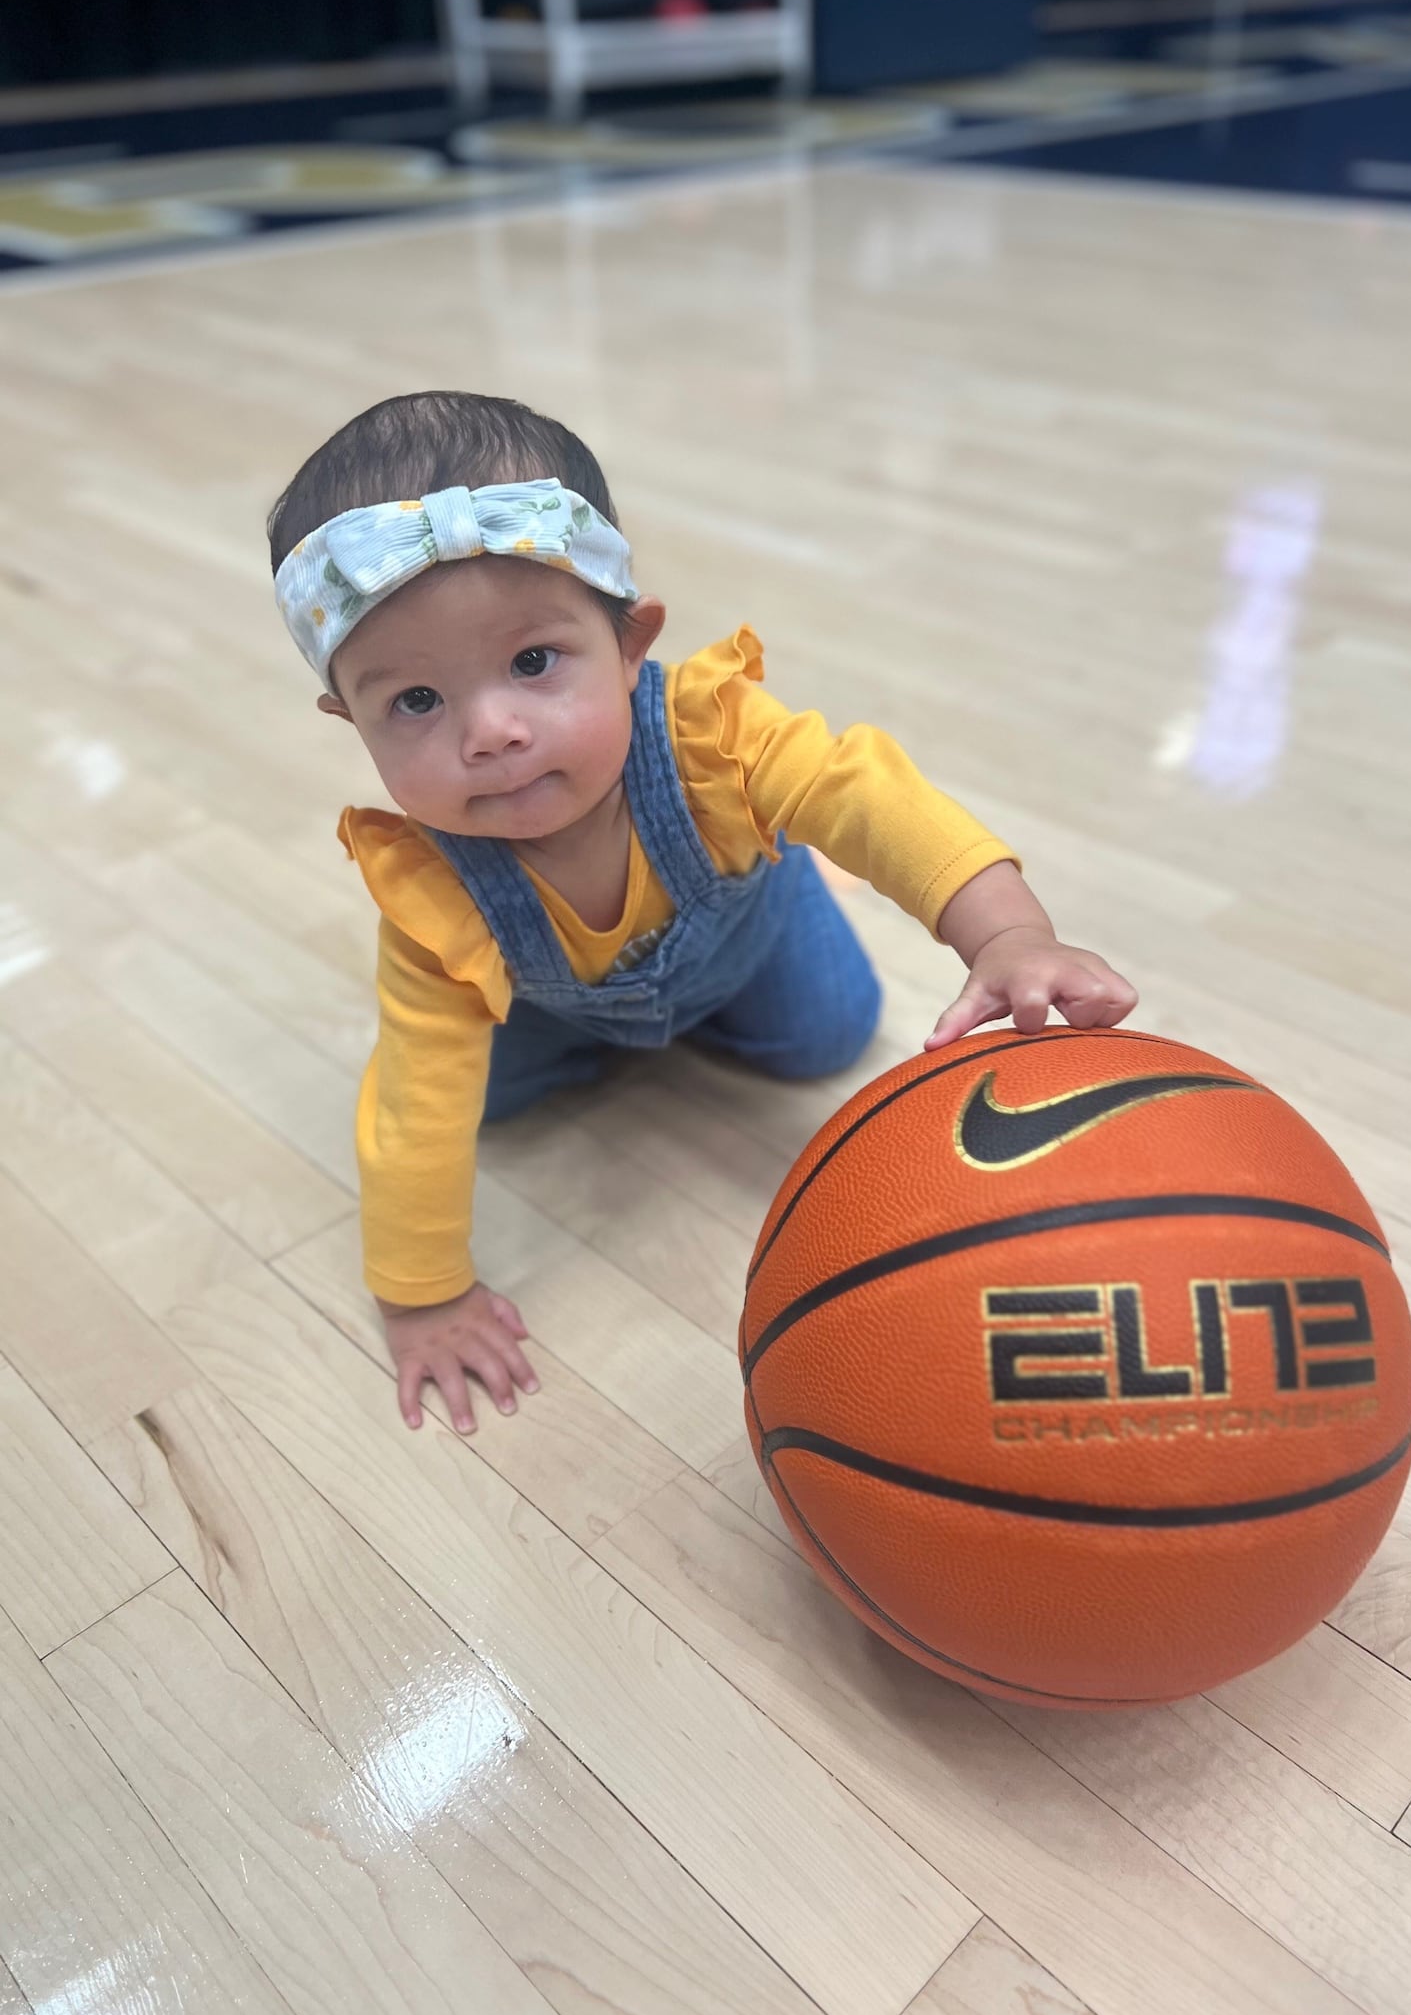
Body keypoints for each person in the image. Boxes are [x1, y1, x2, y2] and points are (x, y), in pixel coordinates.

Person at [271, 391, 1138, 1433]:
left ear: (631, 641)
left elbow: (870, 794)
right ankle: (607, 1038)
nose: (491, 730)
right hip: (554, 1003)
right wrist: (422, 1295)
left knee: (828, 1037)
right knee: (477, 1107)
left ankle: (782, 877)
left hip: (745, 942)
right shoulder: (433, 895)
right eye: (414, 702)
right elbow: (413, 1107)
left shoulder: (709, 736)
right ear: (348, 719)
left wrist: (1004, 932)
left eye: (533, 662)